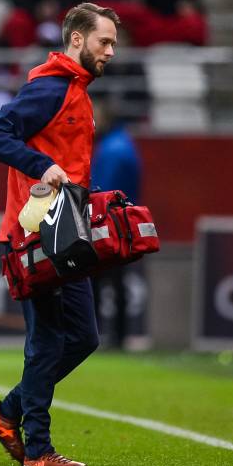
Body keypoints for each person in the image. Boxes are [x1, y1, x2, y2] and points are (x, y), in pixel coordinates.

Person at [0, 2, 120, 466]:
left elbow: (67, 163)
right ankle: (37, 448)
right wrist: (42, 166)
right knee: (48, 341)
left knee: (83, 338)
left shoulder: (77, 90)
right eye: (104, 42)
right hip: (35, 235)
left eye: (114, 43)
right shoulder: (51, 88)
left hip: (66, 234)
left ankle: (8, 412)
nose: (111, 52)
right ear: (77, 39)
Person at [90, 99, 142, 349]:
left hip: (110, 225)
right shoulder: (122, 144)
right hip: (121, 223)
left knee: (100, 281)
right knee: (115, 281)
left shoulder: (112, 149)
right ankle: (117, 336)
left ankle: (100, 335)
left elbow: (102, 190)